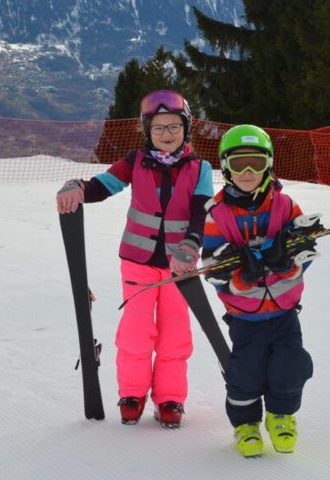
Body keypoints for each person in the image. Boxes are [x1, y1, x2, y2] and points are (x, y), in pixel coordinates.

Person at [56, 90, 214, 428]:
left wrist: (191, 244)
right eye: (158, 128)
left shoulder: (200, 168)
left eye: (173, 126)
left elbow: (202, 213)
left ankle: (170, 398)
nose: (166, 134)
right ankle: (132, 393)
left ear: (187, 128)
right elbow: (102, 186)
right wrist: (76, 187)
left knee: (174, 332)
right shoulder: (136, 161)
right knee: (135, 331)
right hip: (137, 262)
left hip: (179, 266)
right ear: (148, 132)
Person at [201, 125, 317, 457]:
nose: (248, 172)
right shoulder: (217, 214)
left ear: (268, 164)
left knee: (289, 366)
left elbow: (304, 251)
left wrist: (288, 264)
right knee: (246, 372)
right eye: (239, 164)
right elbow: (212, 268)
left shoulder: (285, 206)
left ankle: (281, 417)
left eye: (255, 162)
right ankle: (246, 423)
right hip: (245, 317)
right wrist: (241, 276)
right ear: (226, 167)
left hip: (284, 311)